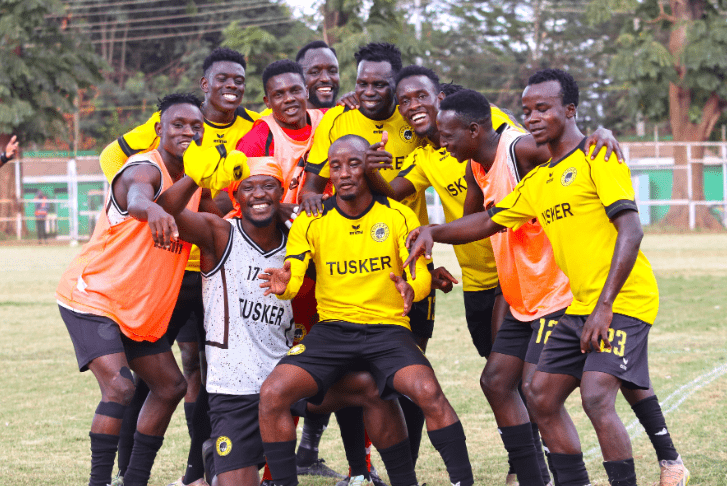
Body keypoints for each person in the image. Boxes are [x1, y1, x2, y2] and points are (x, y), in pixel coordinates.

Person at [405, 70, 689, 486]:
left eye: (543, 108)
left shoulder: (595, 157)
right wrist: (432, 232)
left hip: (623, 300)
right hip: (574, 304)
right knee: (538, 393)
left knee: (596, 395)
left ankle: (661, 463)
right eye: (527, 110)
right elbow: (487, 221)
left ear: (570, 110)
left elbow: (632, 230)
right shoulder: (538, 181)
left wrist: (605, 305)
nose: (533, 117)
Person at [156, 155, 413, 486]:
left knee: (371, 387)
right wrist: (194, 174)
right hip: (235, 389)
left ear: (281, 194)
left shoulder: (298, 240)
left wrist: (419, 278)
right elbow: (168, 208)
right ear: (236, 196)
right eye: (248, 187)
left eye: (268, 186)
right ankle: (217, 462)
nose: (259, 194)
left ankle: (403, 479)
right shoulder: (220, 234)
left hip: (286, 376)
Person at [256, 134, 476, 486]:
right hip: (332, 331)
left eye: (353, 164)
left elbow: (418, 279)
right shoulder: (311, 220)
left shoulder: (399, 216)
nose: (343, 173)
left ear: (368, 168)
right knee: (272, 393)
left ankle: (462, 481)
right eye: (335, 166)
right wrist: (286, 286)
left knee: (427, 392)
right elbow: (293, 277)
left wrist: (412, 288)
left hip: (387, 330)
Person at [99, 47, 259, 486]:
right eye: (222, 79)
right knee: (154, 370)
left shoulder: (253, 126)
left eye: (239, 80)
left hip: (214, 265)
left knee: (211, 371)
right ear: (205, 84)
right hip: (164, 267)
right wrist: (145, 204)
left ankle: (199, 472)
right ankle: (124, 472)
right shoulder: (174, 121)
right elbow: (112, 158)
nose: (231, 87)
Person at [56, 93, 206, 486]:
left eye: (196, 126)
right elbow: (140, 195)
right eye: (179, 124)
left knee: (170, 386)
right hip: (94, 297)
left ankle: (134, 480)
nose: (188, 132)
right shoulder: (143, 166)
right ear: (159, 129)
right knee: (120, 386)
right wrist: (152, 209)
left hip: (137, 312)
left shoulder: (195, 180)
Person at [299, 43, 433, 468]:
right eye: (363, 83)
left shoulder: (416, 119)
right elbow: (311, 184)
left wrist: (372, 170)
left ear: (400, 84)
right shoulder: (339, 118)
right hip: (348, 267)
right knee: (350, 376)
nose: (371, 90)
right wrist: (312, 201)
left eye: (382, 83)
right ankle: (360, 470)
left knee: (410, 376)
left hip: (406, 266)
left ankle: (404, 469)